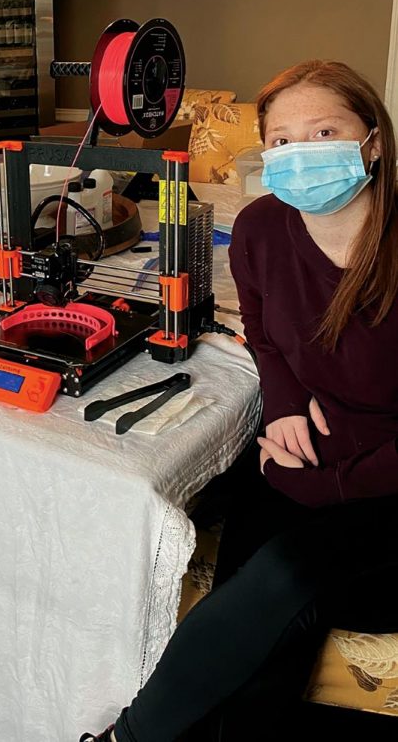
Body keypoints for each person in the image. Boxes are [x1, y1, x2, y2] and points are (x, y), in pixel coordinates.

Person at [80, 60, 398, 742]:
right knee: (248, 608)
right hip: (304, 447)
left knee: (285, 578)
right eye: (281, 141)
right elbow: (266, 339)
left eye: (323, 131)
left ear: (371, 141)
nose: (300, 153)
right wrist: (283, 410)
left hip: (386, 481)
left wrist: (340, 473)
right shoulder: (258, 230)